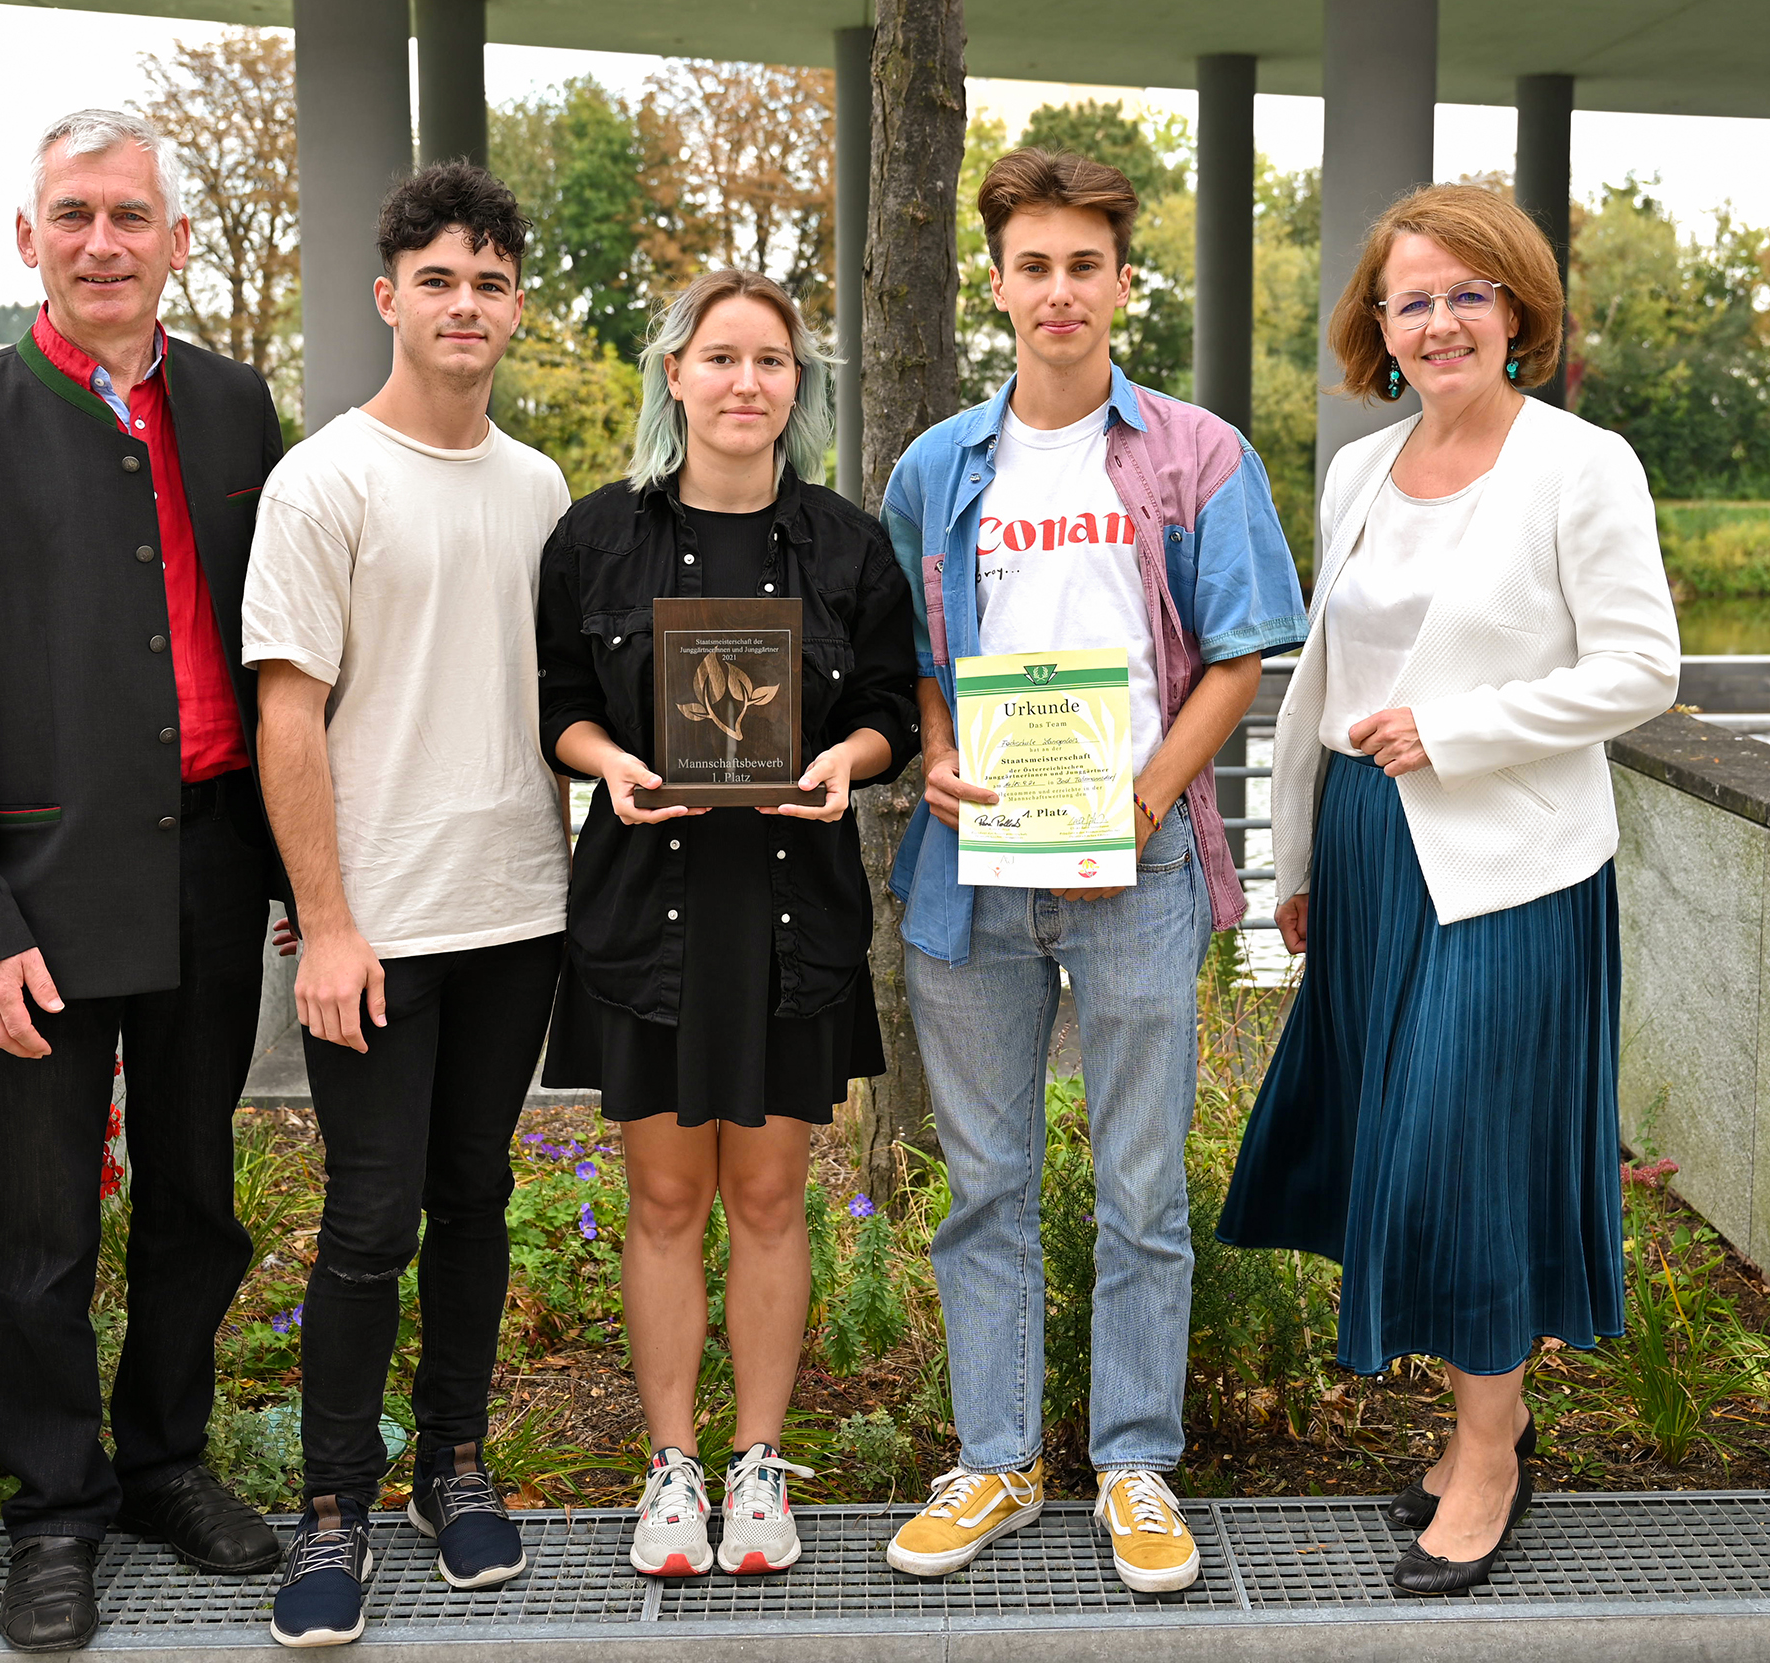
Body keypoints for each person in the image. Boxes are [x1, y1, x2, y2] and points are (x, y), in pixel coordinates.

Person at [1218, 183, 1681, 1595]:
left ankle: (1488, 1455)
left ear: (1518, 309)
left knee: (1470, 1148)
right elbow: (1325, 687)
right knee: (1389, 1143)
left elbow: (1642, 670)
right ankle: (1484, 1419)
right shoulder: (1361, 468)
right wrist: (1297, 863)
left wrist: (1463, 732)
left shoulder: (1579, 466)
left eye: (1468, 292)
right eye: (1411, 298)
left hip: (1509, 868)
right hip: (1370, 851)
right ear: (1380, 324)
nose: (1438, 320)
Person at [0, 109, 286, 1652]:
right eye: (73, 215)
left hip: (213, 871)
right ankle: (55, 1512)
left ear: (176, 239)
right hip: (38, 900)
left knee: (197, 1202)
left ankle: (166, 1462)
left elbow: (288, 657)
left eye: (130, 215)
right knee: (43, 1230)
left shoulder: (241, 412)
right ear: (26, 242)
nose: (102, 241)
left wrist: (310, 865)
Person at [878, 149, 1306, 1595]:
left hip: (1138, 863)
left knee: (1141, 1186)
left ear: (1124, 282)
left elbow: (1243, 649)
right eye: (1033, 265)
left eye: (1085, 265)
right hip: (974, 870)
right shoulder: (938, 468)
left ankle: (1133, 1462)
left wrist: (1145, 800)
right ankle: (995, 1459)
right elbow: (920, 662)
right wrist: (935, 750)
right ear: (998, 283)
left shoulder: (1197, 454)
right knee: (985, 1180)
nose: (1059, 292)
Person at [536, 268, 917, 1578]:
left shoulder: (848, 545)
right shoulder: (598, 538)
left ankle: (758, 1468)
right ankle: (671, 1472)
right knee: (660, 1198)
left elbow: (890, 709)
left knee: (767, 1197)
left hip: (791, 907)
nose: (746, 382)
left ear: (795, 389)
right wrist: (609, 761)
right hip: (647, 903)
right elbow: (557, 701)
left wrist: (847, 762)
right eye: (721, 358)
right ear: (676, 376)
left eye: (772, 362)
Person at [240, 163, 571, 1646]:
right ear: (389, 298)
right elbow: (287, 716)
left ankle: (455, 1466)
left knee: (478, 1198)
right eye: (437, 279)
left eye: (489, 282)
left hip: (519, 910)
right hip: (377, 928)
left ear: (514, 306)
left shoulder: (541, 487)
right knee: (368, 1222)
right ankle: (331, 1509)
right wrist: (327, 921)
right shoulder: (324, 480)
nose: (464, 304)